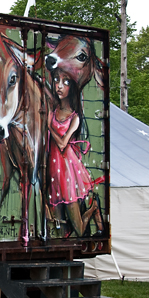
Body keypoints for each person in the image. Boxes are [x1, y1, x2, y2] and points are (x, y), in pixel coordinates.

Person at [47, 70, 103, 237]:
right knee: (60, 232)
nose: (59, 86)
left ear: (72, 88)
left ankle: (93, 207)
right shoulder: (52, 112)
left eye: (65, 82)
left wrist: (49, 126)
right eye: (57, 80)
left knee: (78, 230)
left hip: (67, 172)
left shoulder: (74, 117)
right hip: (52, 172)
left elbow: (63, 144)